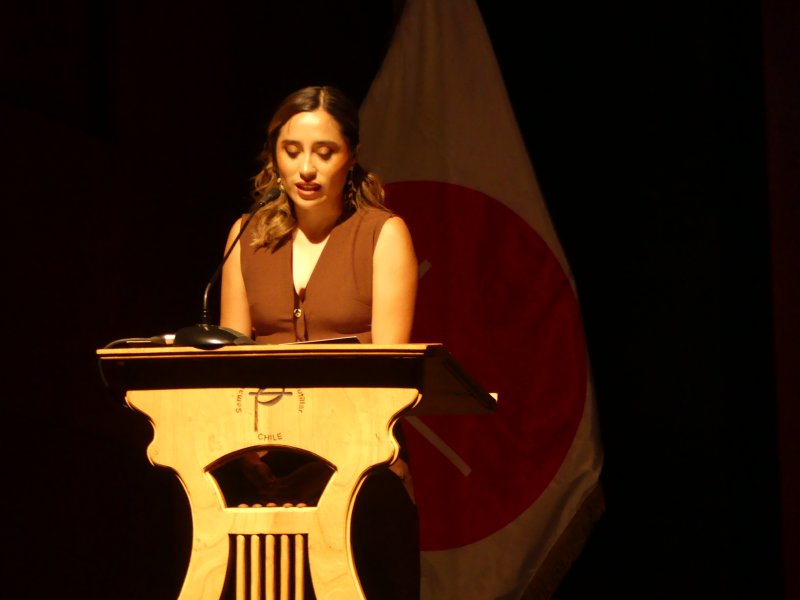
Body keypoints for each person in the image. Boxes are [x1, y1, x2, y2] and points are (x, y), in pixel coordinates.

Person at [219, 85, 420, 599]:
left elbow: (387, 383)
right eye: (292, 151)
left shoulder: (383, 234)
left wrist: (321, 469)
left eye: (324, 152)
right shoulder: (246, 236)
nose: (306, 169)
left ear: (351, 156)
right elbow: (230, 369)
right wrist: (247, 458)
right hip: (262, 469)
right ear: (274, 157)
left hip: (363, 466)